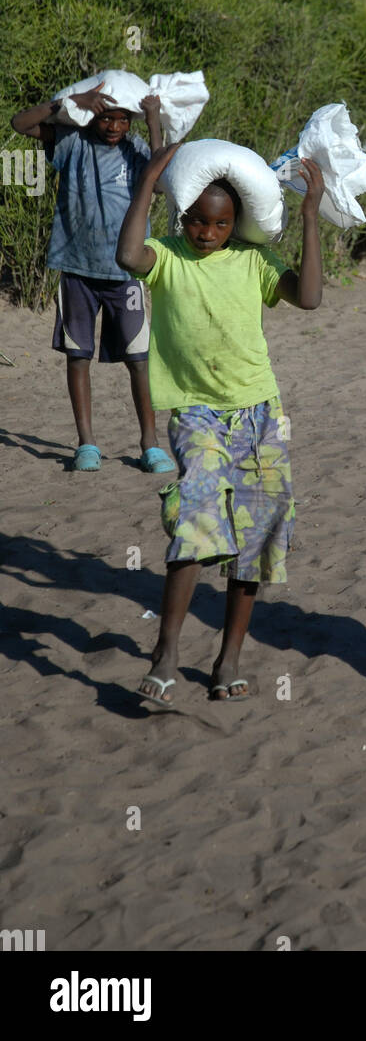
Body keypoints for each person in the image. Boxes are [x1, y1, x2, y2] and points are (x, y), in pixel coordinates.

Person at [116, 141, 325, 706]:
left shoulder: (255, 262)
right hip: (196, 412)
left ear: (236, 224)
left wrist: (310, 217)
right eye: (199, 222)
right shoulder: (166, 255)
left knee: (257, 535)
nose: (208, 233)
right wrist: (148, 180)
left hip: (260, 410)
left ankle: (228, 657)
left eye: (221, 223)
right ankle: (166, 653)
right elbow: (128, 257)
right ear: (183, 216)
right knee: (196, 514)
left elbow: (309, 297)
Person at [10, 81, 174, 473]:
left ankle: (150, 443)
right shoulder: (72, 144)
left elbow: (161, 178)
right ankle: (86, 444)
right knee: (77, 356)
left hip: (126, 272)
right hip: (77, 269)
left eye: (123, 119)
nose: (114, 126)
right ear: (92, 115)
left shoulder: (137, 152)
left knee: (138, 359)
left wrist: (153, 122)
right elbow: (20, 124)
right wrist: (66, 103)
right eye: (106, 116)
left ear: (131, 120)